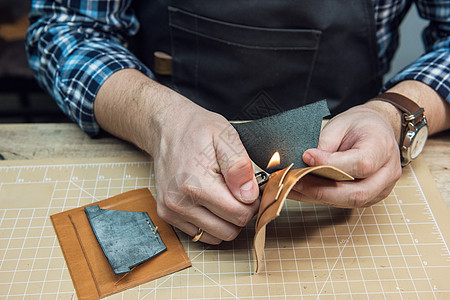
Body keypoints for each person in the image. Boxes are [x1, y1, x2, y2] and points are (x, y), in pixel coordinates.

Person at [27, 0, 450, 244]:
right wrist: (160, 122)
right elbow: (65, 27)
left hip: (349, 167)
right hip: (148, 149)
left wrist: (393, 113)